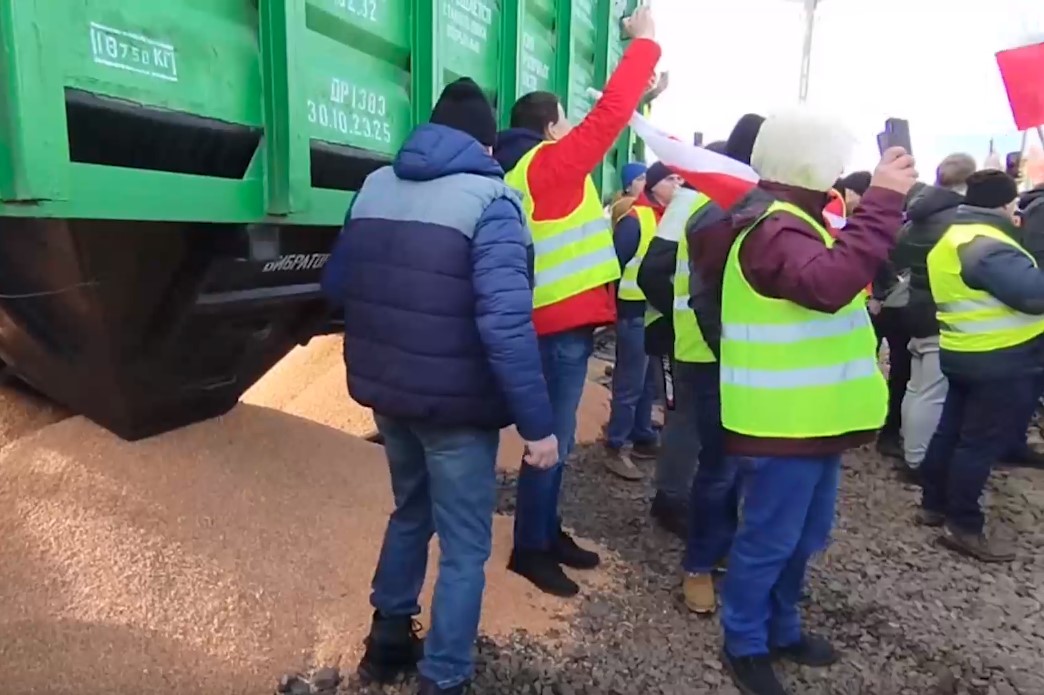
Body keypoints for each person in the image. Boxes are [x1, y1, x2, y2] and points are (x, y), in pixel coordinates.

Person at [320, 78, 558, 695]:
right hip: (456, 408)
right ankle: (445, 677)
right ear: (486, 144)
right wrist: (537, 427)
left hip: (389, 395)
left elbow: (338, 284)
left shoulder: (373, 186)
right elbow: (506, 325)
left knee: (410, 513)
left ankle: (388, 642)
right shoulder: (493, 202)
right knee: (463, 548)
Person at [714, 106, 916, 695]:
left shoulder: (793, 220)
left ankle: (780, 627)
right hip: (781, 427)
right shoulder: (774, 227)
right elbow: (827, 287)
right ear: (809, 160)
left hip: (812, 422)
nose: (841, 168)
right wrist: (880, 202)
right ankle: (745, 641)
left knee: (803, 537)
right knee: (769, 539)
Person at [494, 5, 660, 598]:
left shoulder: (521, 170)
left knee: (554, 440)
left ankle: (546, 530)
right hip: (559, 326)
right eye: (565, 123)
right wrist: (644, 45)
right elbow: (612, 115)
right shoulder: (550, 164)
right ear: (550, 128)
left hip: (558, 321)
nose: (572, 132)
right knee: (551, 441)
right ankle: (530, 549)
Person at [919, 170, 1044, 562]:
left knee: (950, 432)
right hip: (1000, 357)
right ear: (1004, 205)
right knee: (977, 443)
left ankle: (933, 504)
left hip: (964, 350)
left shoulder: (955, 235)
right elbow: (1033, 295)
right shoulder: (984, 243)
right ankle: (964, 525)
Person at [892, 153, 974, 478]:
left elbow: (895, 251)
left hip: (915, 306)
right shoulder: (958, 219)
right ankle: (918, 461)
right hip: (942, 310)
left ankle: (909, 446)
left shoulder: (918, 216)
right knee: (931, 391)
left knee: (917, 386)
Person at [604, 162, 680, 480]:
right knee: (630, 383)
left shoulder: (666, 219)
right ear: (655, 184)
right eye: (672, 179)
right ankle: (615, 445)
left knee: (648, 381)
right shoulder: (636, 220)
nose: (678, 185)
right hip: (633, 312)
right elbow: (614, 267)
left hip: (651, 313)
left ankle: (642, 435)